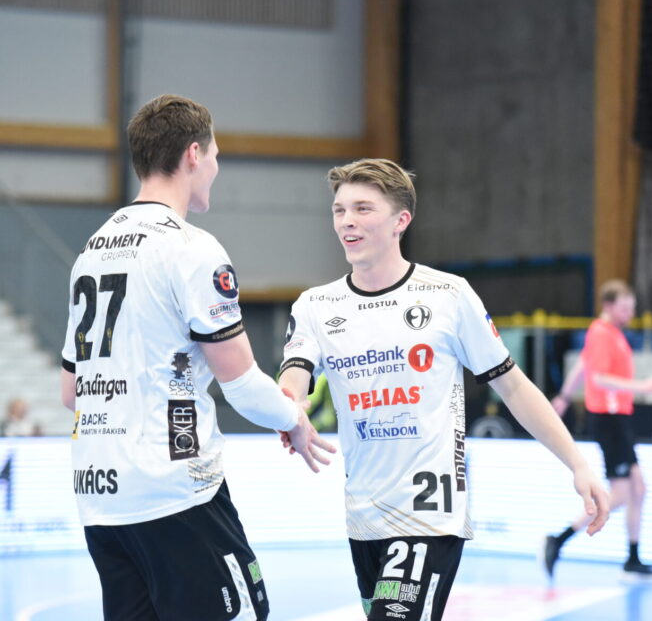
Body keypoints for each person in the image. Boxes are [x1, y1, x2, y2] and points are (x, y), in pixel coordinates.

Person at [278, 158, 609, 621]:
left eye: (362, 209)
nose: (347, 220)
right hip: (362, 514)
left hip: (429, 514)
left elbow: (514, 387)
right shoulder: (315, 305)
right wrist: (290, 409)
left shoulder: (448, 295)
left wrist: (577, 463)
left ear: (401, 221)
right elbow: (295, 374)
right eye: (339, 210)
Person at [60, 94, 333, 621]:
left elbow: (71, 392)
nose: (215, 168)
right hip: (175, 491)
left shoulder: (90, 252)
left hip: (100, 497)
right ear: (192, 154)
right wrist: (294, 418)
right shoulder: (191, 248)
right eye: (214, 155)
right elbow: (242, 384)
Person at [545, 279, 652, 580]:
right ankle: (558, 540)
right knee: (622, 493)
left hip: (618, 418)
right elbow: (598, 378)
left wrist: (564, 396)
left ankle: (633, 558)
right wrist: (642, 387)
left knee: (638, 489)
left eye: (631, 308)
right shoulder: (601, 333)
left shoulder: (609, 334)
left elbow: (582, 366)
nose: (630, 313)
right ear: (609, 306)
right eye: (624, 308)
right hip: (609, 419)